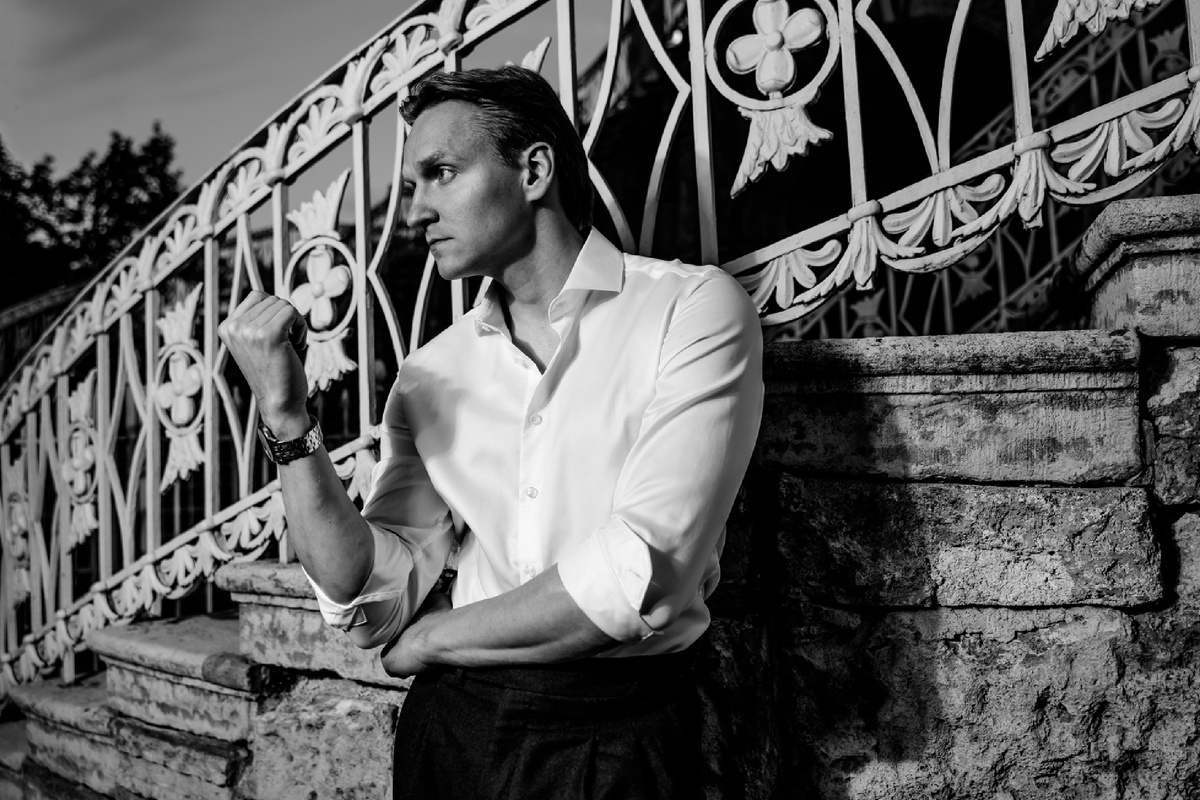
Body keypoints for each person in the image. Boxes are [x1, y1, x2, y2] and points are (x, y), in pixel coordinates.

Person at [218, 65, 763, 800]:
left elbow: (641, 573)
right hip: (453, 731)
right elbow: (369, 599)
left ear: (534, 171)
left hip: (616, 731)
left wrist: (436, 637)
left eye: (440, 173)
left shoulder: (689, 310)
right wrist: (287, 420)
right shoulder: (429, 373)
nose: (415, 212)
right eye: (411, 185)